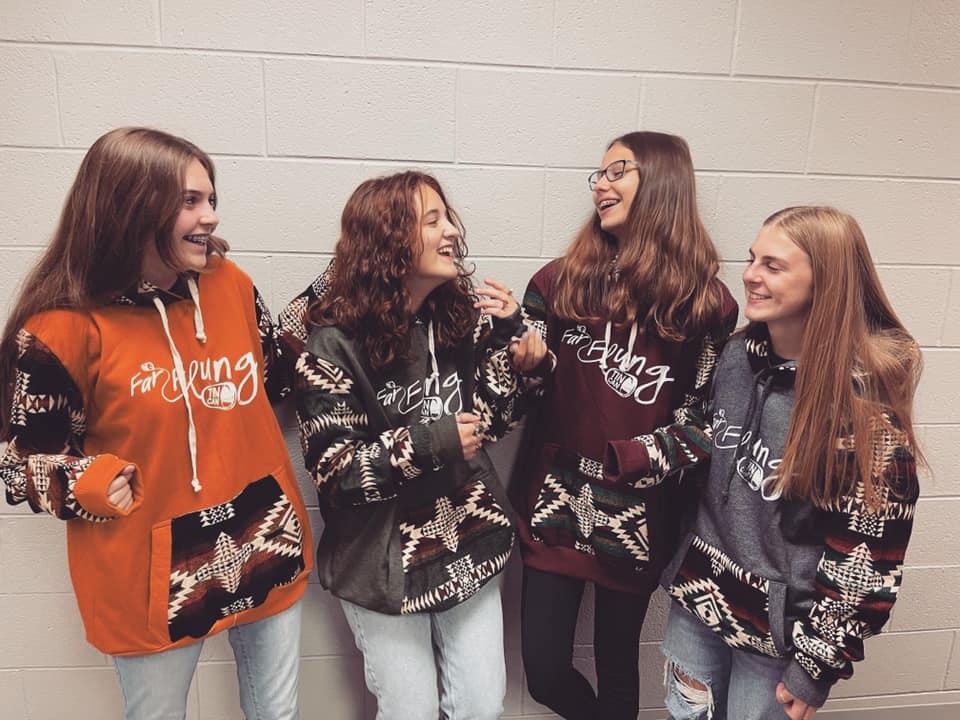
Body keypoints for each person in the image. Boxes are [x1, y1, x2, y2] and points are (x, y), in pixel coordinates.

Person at [0, 127, 313, 719]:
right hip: (151, 566)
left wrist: (342, 287)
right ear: (130, 207)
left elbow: (276, 373)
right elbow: (17, 462)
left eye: (211, 199)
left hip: (260, 531)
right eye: (190, 201)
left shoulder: (230, 284)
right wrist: (84, 481)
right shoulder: (60, 329)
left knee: (277, 713)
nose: (211, 216)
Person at [286, 170, 547, 720]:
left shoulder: (456, 321)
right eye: (433, 221)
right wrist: (434, 441)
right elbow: (336, 471)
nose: (452, 230)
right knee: (412, 712)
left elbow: (490, 423)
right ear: (389, 242)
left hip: (466, 536)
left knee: (481, 707)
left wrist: (520, 354)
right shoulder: (331, 344)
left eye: (447, 217)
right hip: (380, 555)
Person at [659, 206, 921, 720]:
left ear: (825, 283)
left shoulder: (863, 410)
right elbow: (701, 437)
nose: (750, 275)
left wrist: (815, 668)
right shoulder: (735, 357)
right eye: (753, 258)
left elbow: (867, 562)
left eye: (772, 265)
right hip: (698, 600)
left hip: (779, 639)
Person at [510, 131, 738, 719]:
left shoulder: (708, 306)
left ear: (661, 181)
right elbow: (515, 398)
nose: (600, 185)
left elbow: (709, 421)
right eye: (599, 174)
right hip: (554, 504)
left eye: (617, 170)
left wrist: (638, 457)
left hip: (639, 514)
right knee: (544, 672)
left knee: (617, 667)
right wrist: (526, 369)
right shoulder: (555, 282)